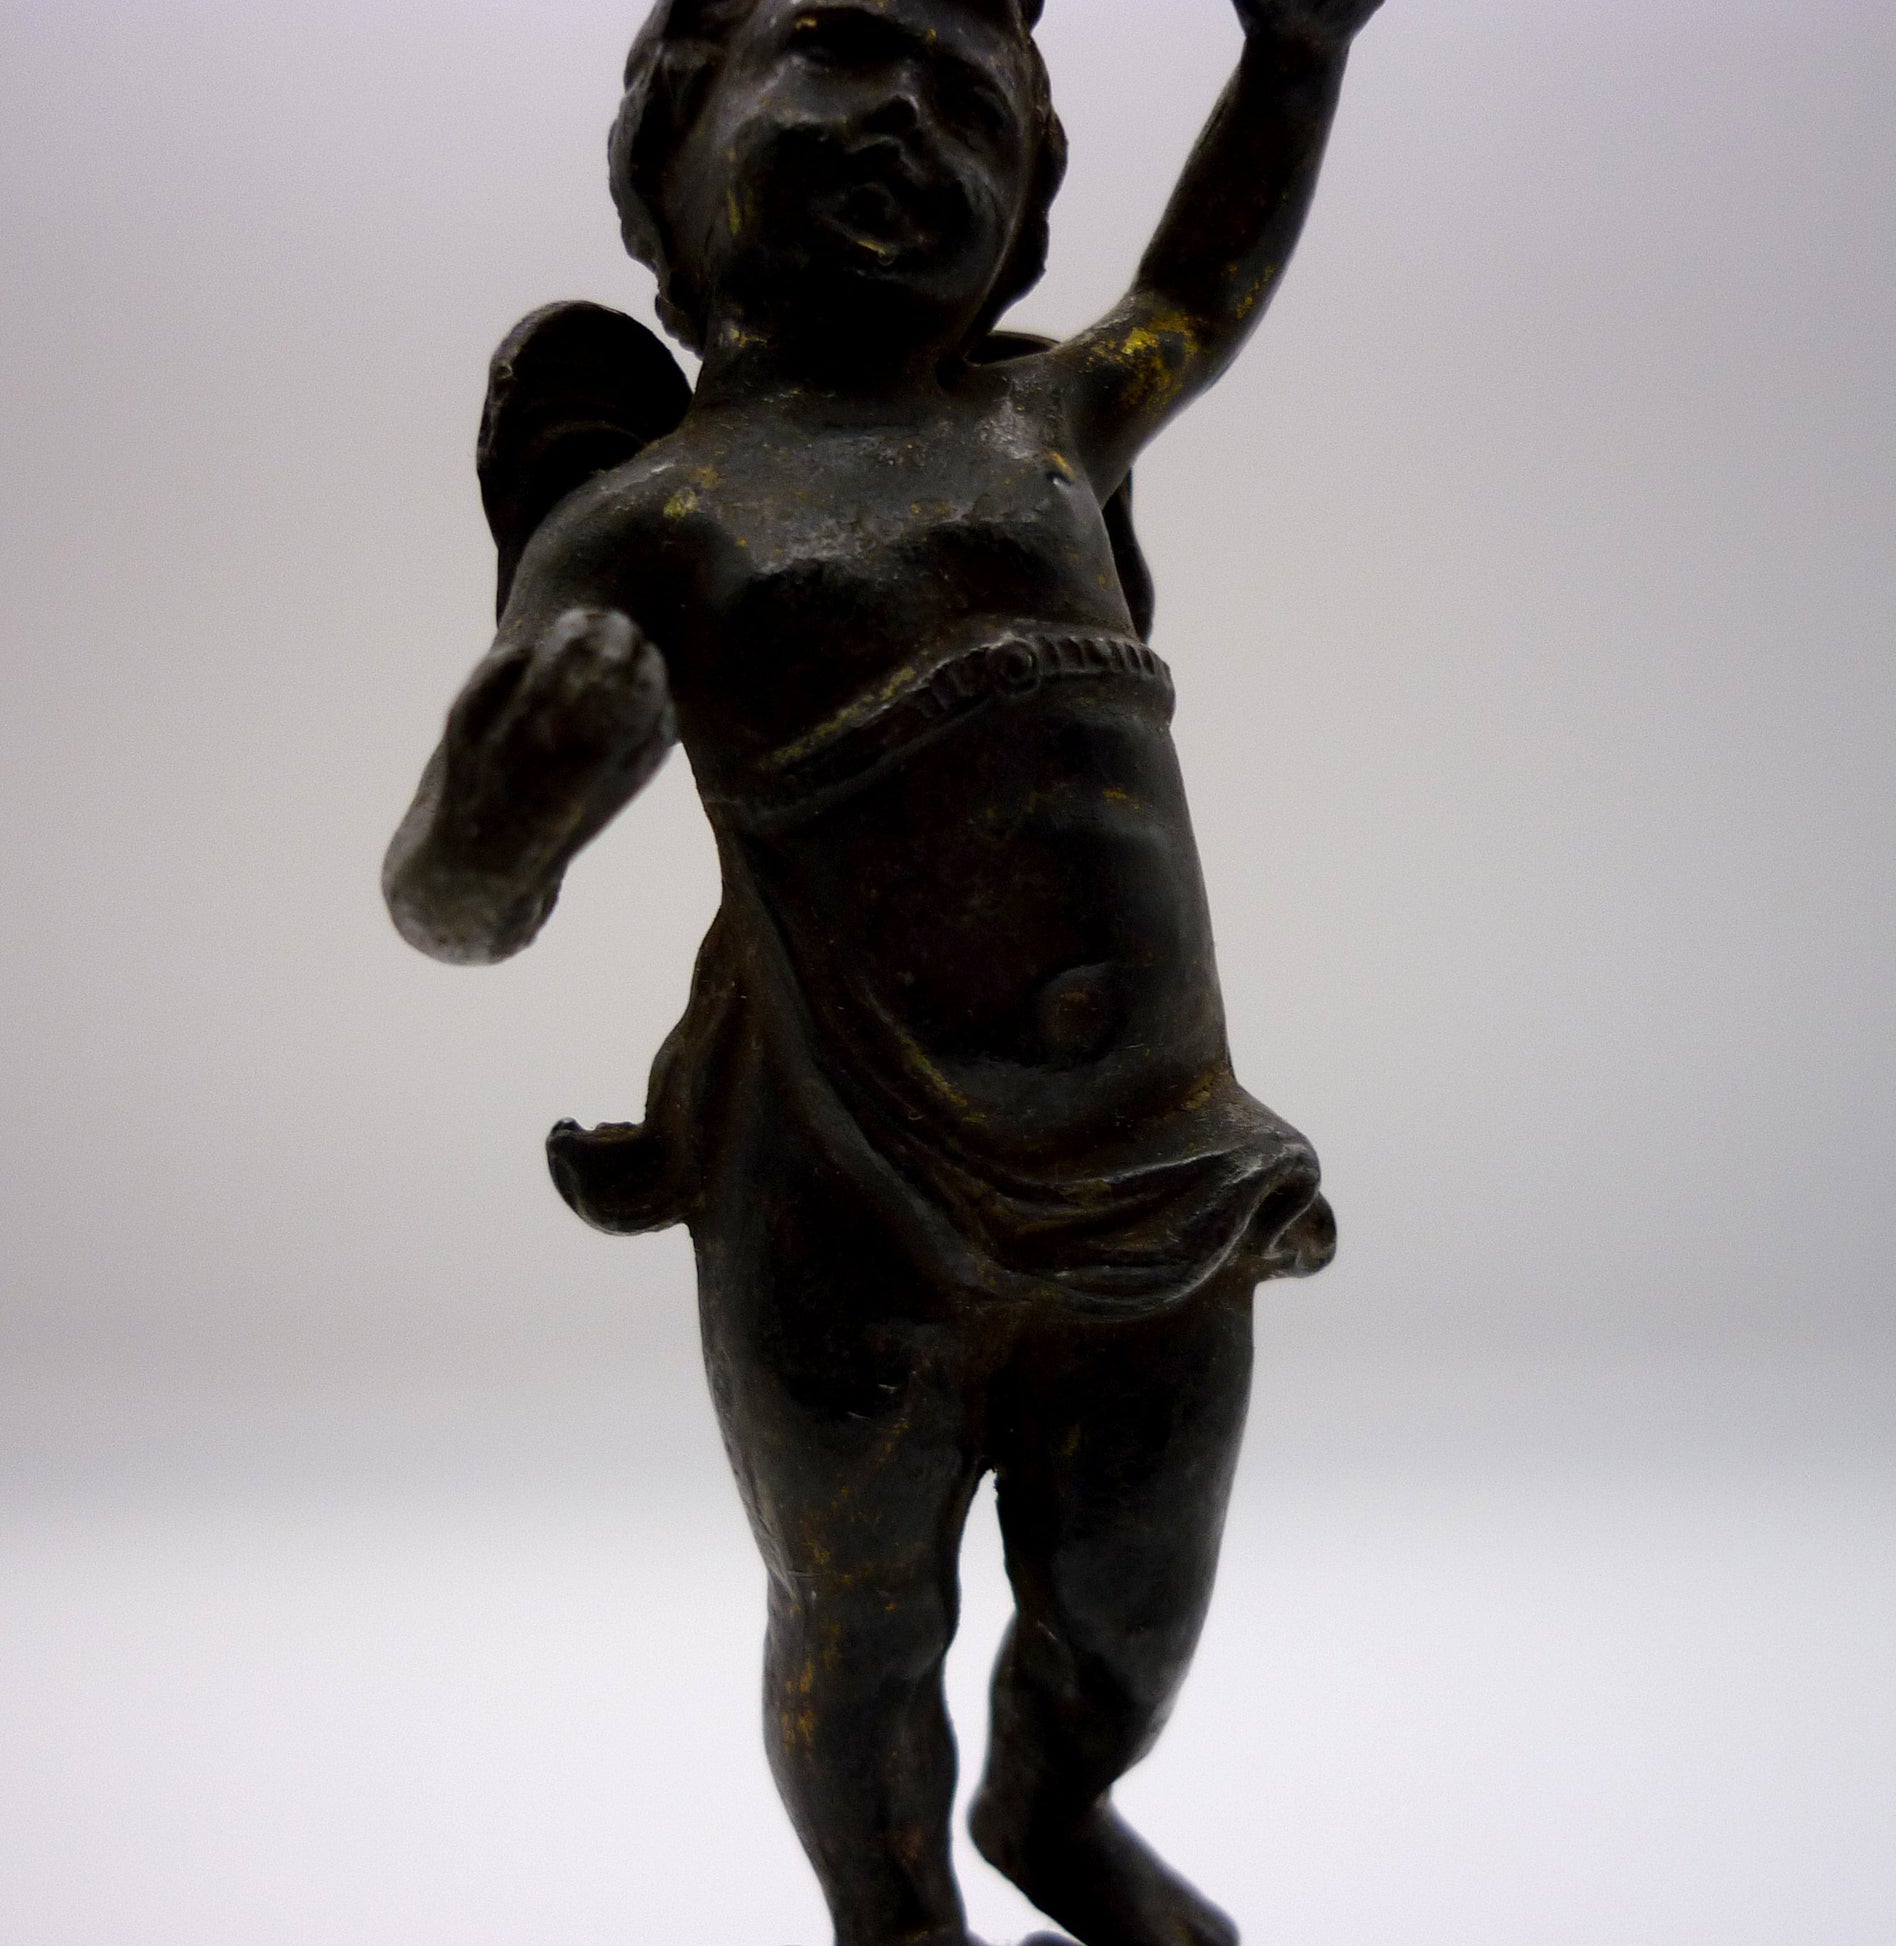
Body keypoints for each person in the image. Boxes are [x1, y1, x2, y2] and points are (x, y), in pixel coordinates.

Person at [384, 2, 1386, 1941]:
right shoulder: (648, 524)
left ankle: (1049, 1808)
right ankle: (896, 1908)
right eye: (840, 51)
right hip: (836, 1199)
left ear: (1018, 216)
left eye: (968, 99)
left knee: (1132, 1591)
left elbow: (1195, 294)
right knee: (857, 1605)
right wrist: (497, 811)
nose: (905, 121)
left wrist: (1293, 57)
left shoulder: (1050, 428)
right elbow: (451, 906)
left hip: (1157, 1168)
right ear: (670, 160)